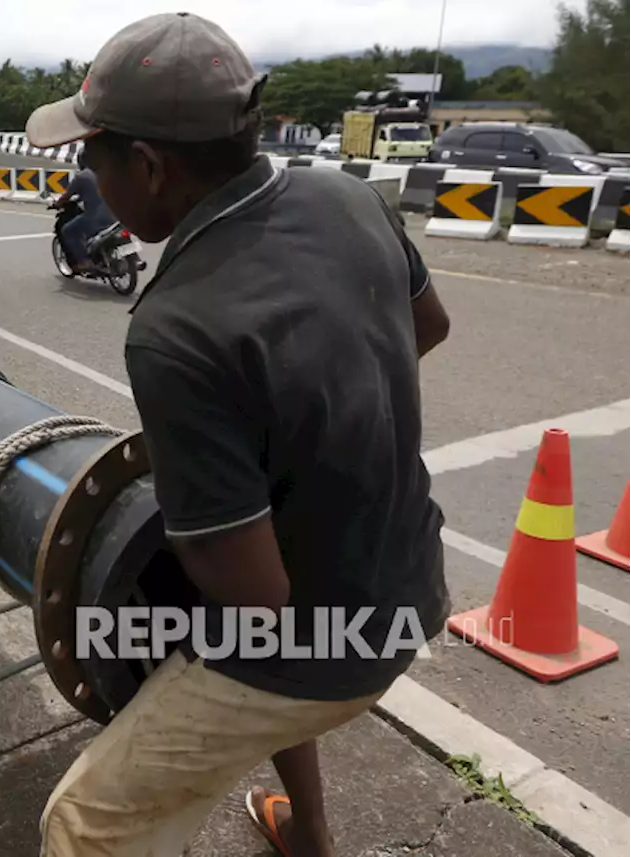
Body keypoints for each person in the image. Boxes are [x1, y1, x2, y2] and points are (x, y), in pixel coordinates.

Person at [25, 12, 451, 857]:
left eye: (92, 157)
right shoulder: (344, 195)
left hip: (329, 645)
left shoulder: (175, 327)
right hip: (414, 583)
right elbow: (427, 326)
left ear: (147, 167)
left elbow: (255, 601)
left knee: (79, 819)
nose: (90, 177)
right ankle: (308, 834)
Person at [48, 150, 117, 274]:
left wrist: (57, 204)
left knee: (67, 230)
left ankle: (83, 261)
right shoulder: (105, 172)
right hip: (116, 215)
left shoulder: (81, 176)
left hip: (95, 217)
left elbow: (66, 196)